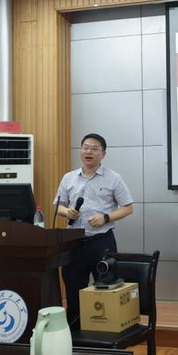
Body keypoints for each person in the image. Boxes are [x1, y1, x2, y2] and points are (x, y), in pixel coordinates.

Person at [54, 133, 133, 327]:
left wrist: (105, 218)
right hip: (73, 244)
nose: (88, 151)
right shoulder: (69, 178)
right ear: (81, 151)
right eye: (85, 147)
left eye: (94, 149)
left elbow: (128, 207)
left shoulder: (113, 178)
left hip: (102, 243)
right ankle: (75, 335)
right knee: (73, 292)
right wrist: (67, 212)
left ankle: (105, 333)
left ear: (103, 154)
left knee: (106, 291)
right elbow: (58, 206)